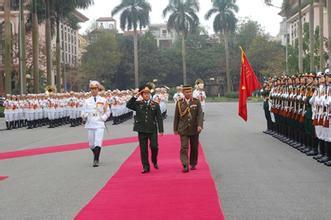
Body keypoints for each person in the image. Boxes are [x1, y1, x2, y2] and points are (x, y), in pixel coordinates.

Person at [126, 84, 164, 174]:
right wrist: (136, 96)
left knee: (154, 146)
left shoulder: (155, 105)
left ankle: (154, 160)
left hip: (152, 129)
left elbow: (159, 118)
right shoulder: (138, 104)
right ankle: (145, 167)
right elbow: (128, 105)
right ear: (142, 95)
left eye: (148, 93)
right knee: (143, 149)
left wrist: (161, 130)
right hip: (141, 129)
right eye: (144, 93)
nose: (146, 95)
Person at [173, 85, 203, 173]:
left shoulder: (196, 102)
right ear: (183, 93)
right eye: (187, 92)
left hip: (194, 128)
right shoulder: (179, 103)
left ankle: (193, 163)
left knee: (194, 147)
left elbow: (200, 114)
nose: (189, 93)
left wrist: (200, 125)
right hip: (183, 129)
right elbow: (176, 117)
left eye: (190, 92)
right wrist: (175, 128)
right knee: (184, 147)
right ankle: (185, 164)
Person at [81, 81, 110, 167]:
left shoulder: (103, 100)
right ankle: (95, 154)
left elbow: (108, 112)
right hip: (90, 123)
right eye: (92, 89)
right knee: (91, 145)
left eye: (95, 88)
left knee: (98, 142)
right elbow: (83, 112)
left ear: (98, 89)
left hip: (99, 123)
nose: (93, 90)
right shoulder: (86, 101)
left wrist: (103, 118)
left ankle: (96, 159)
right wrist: (84, 115)